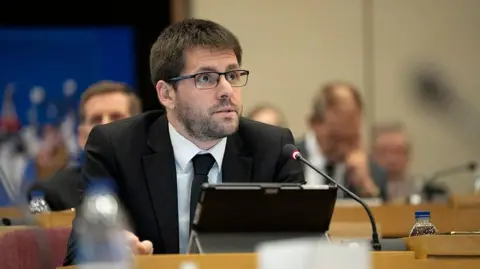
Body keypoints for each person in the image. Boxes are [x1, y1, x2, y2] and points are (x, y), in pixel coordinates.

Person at [63, 19, 304, 265]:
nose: (227, 90)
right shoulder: (115, 148)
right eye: (206, 78)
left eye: (232, 75)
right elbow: (76, 256)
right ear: (167, 94)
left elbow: (302, 249)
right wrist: (107, 250)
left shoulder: (275, 149)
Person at [27, 81, 142, 210]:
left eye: (116, 117)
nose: (104, 127)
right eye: (96, 119)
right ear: (81, 136)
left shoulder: (164, 182)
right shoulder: (52, 195)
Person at [296, 81, 388, 201]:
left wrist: (365, 188)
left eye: (351, 139)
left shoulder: (375, 174)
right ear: (314, 123)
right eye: (336, 139)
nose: (343, 149)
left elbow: (383, 217)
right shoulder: (286, 160)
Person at [372, 121, 412, 203]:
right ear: (372, 156)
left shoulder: (425, 195)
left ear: (408, 156)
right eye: (383, 152)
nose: (391, 159)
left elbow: (426, 215)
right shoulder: (361, 196)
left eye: (398, 151)